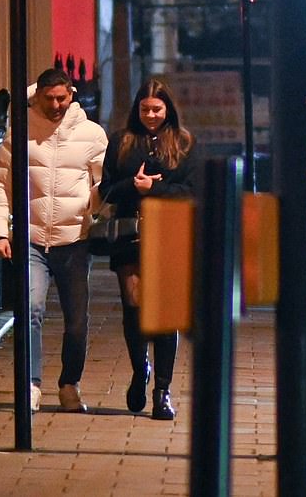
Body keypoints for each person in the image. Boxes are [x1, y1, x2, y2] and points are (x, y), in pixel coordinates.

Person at [0, 68, 107, 413]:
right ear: (38, 95)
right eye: (49, 98)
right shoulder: (20, 131)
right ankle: (31, 383)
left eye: (62, 98)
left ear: (71, 95)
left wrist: (95, 209)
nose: (55, 105)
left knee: (77, 319)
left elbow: (104, 185)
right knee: (31, 309)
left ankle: (70, 384)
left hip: (74, 239)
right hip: (32, 237)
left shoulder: (92, 135)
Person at [98, 78, 197, 420]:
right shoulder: (122, 142)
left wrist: (156, 190)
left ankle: (163, 391)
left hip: (169, 233)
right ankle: (141, 369)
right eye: (145, 109)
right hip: (131, 236)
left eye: (156, 109)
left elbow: (190, 191)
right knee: (135, 306)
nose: (151, 115)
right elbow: (106, 189)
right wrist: (133, 186)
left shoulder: (183, 143)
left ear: (168, 109)